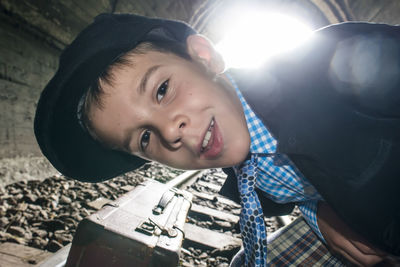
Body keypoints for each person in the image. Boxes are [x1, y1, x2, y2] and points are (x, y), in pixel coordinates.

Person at [34, 13, 400, 266]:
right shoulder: (244, 168)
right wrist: (320, 213)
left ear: (205, 57)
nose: (169, 131)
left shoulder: (332, 65)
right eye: (144, 138)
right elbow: (290, 188)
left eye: (162, 90)